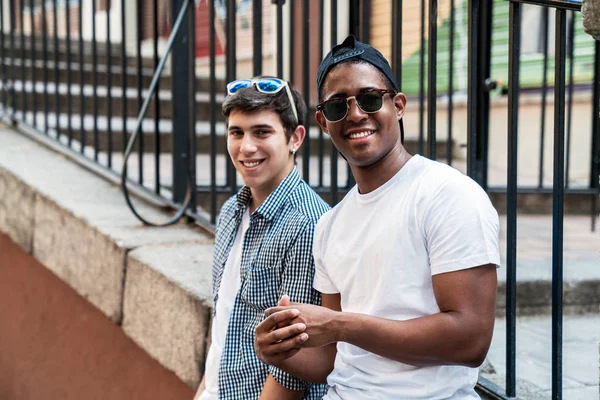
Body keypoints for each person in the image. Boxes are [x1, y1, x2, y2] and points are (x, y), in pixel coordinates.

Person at [254, 35, 500, 399]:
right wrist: (275, 352)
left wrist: (339, 324)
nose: (355, 114)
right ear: (323, 121)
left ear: (398, 105)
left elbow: (470, 340)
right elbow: (329, 361)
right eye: (338, 106)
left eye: (369, 98)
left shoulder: (447, 194)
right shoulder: (330, 226)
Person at [194, 77, 330, 400]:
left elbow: (290, 368)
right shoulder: (230, 211)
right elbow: (223, 320)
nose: (246, 147)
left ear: (295, 138)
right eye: (236, 132)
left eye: (262, 132)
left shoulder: (307, 225)